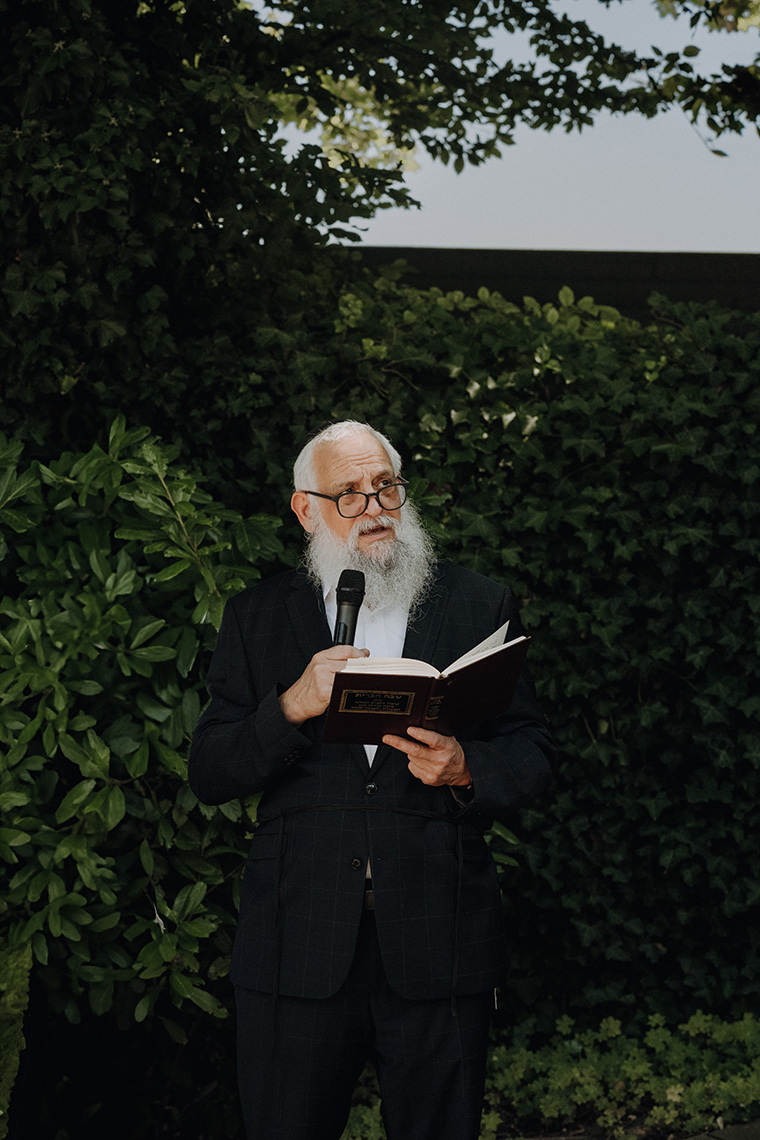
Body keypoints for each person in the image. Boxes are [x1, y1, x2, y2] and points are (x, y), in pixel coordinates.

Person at [189, 420, 554, 1140]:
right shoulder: (258, 617)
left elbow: (536, 753)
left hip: (438, 940)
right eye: (349, 495)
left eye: (384, 486)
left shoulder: (478, 604)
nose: (375, 507)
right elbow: (209, 770)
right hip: (296, 944)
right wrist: (291, 705)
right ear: (306, 510)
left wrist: (466, 766)